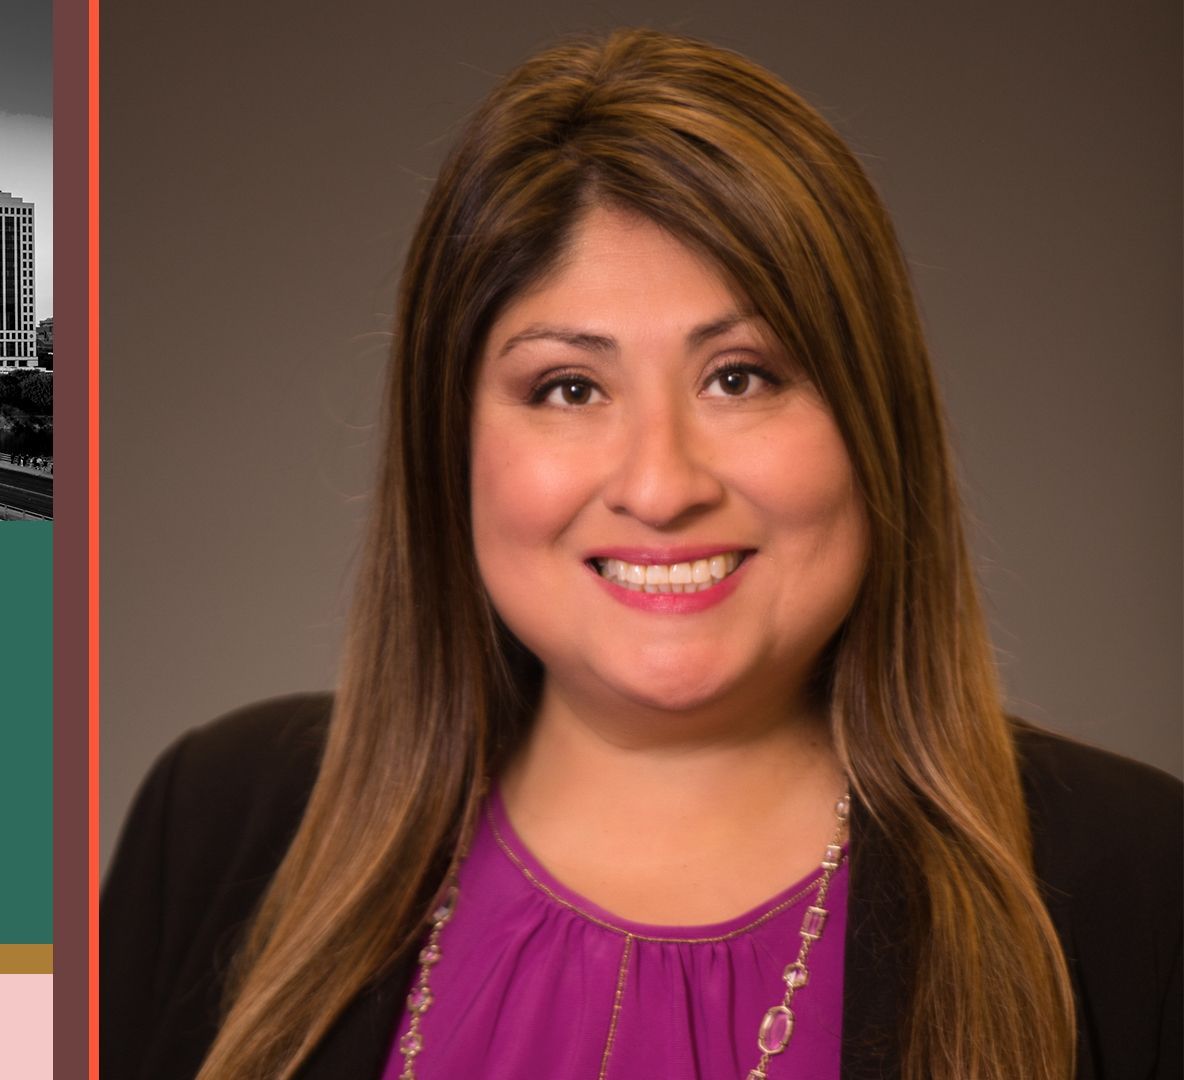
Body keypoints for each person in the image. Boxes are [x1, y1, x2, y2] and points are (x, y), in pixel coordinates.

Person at [101, 28, 1181, 1080]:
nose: (661, 487)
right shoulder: (217, 826)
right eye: (570, 388)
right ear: (451, 444)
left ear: (873, 419)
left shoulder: (1146, 891)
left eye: (741, 376)